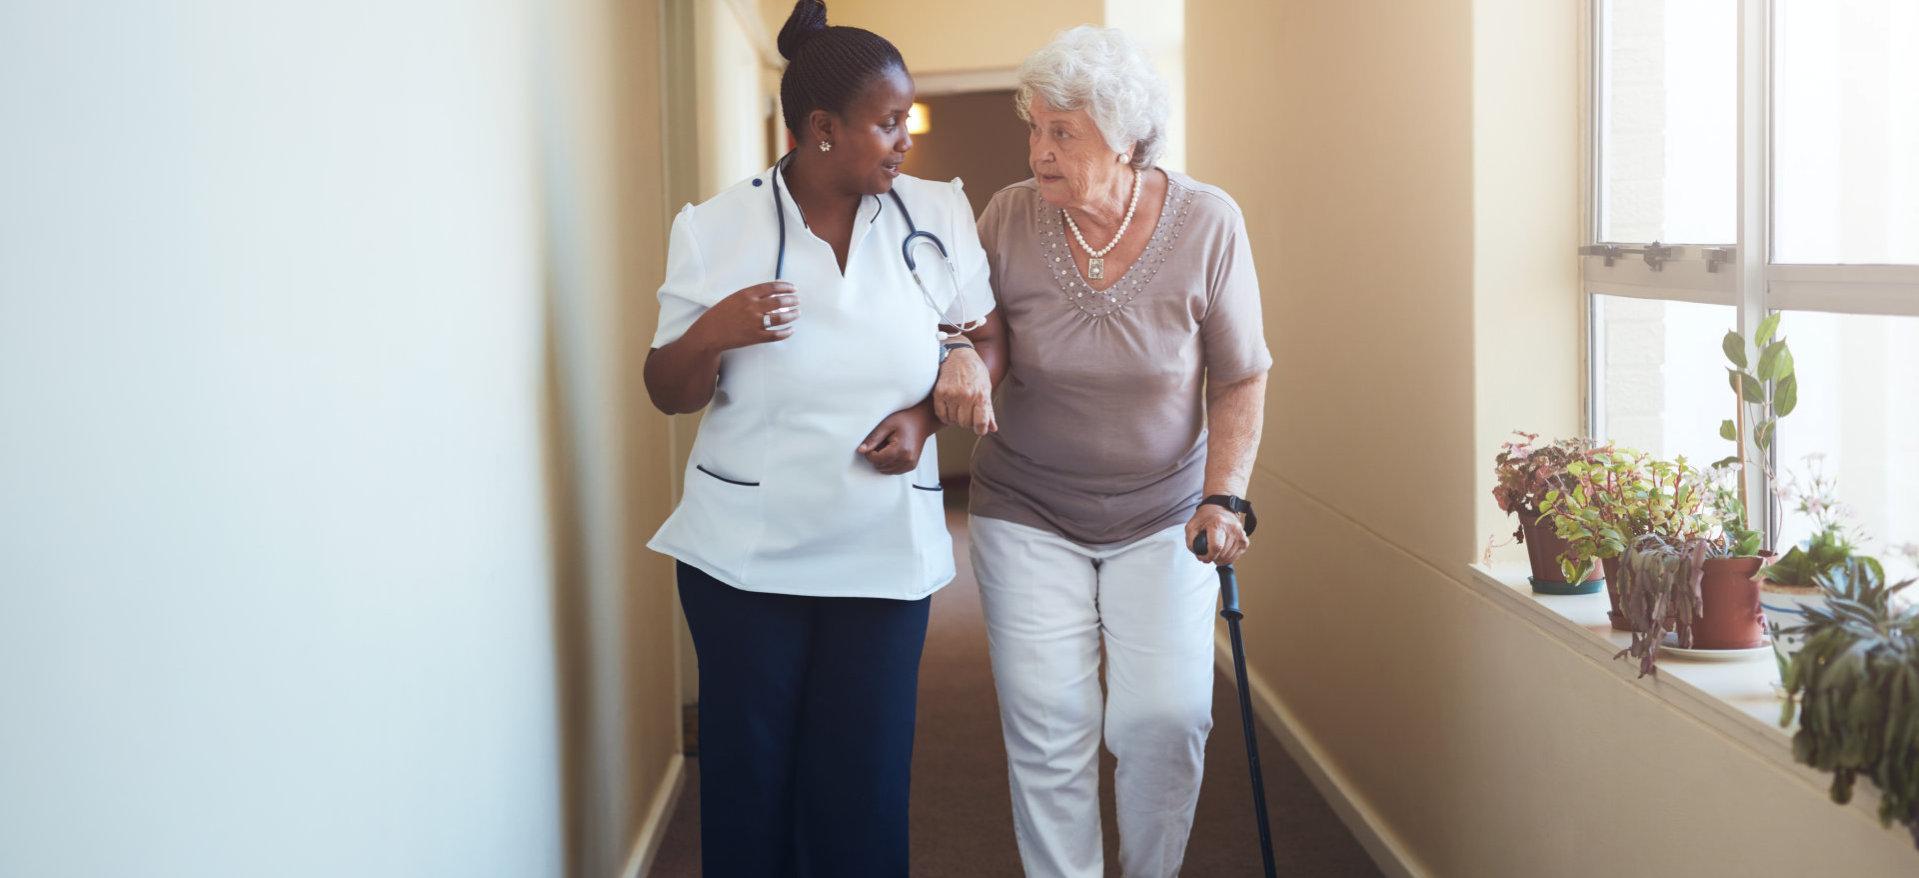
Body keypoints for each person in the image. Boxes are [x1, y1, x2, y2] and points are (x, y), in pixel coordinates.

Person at [642, 1, 1000, 874]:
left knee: (863, 779)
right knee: (749, 776)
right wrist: (712, 331)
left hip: (884, 550)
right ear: (820, 130)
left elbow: (984, 336)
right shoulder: (716, 227)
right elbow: (665, 390)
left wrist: (928, 413)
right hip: (745, 557)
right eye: (887, 122)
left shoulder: (935, 214)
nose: (903, 138)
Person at [935, 24, 1272, 878]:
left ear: (1125, 137)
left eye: (1062, 131)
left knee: (1164, 718)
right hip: (1026, 507)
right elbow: (965, 326)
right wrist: (961, 351)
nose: (1038, 150)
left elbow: (1239, 378)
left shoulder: (1208, 223)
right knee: (1049, 724)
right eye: (1034, 127)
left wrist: (1224, 493)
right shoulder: (1008, 217)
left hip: (1164, 511)